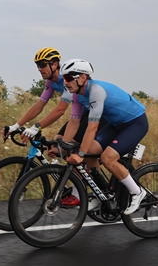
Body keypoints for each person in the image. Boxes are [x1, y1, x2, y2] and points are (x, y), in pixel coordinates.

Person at [60, 59, 150, 215]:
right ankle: (101, 194)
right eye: (64, 79)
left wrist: (80, 154)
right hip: (116, 124)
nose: (65, 83)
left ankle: (138, 192)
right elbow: (74, 122)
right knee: (89, 152)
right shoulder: (77, 96)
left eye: (68, 78)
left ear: (83, 78)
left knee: (107, 158)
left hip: (135, 123)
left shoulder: (96, 91)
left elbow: (92, 127)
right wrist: (64, 145)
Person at [2, 47, 89, 146]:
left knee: (67, 146)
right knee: (57, 142)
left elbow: (60, 110)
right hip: (81, 114)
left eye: (43, 65)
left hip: (93, 114)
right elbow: (39, 106)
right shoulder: (50, 82)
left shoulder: (67, 79)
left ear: (55, 65)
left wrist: (36, 127)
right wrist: (16, 126)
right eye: (38, 65)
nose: (39, 69)